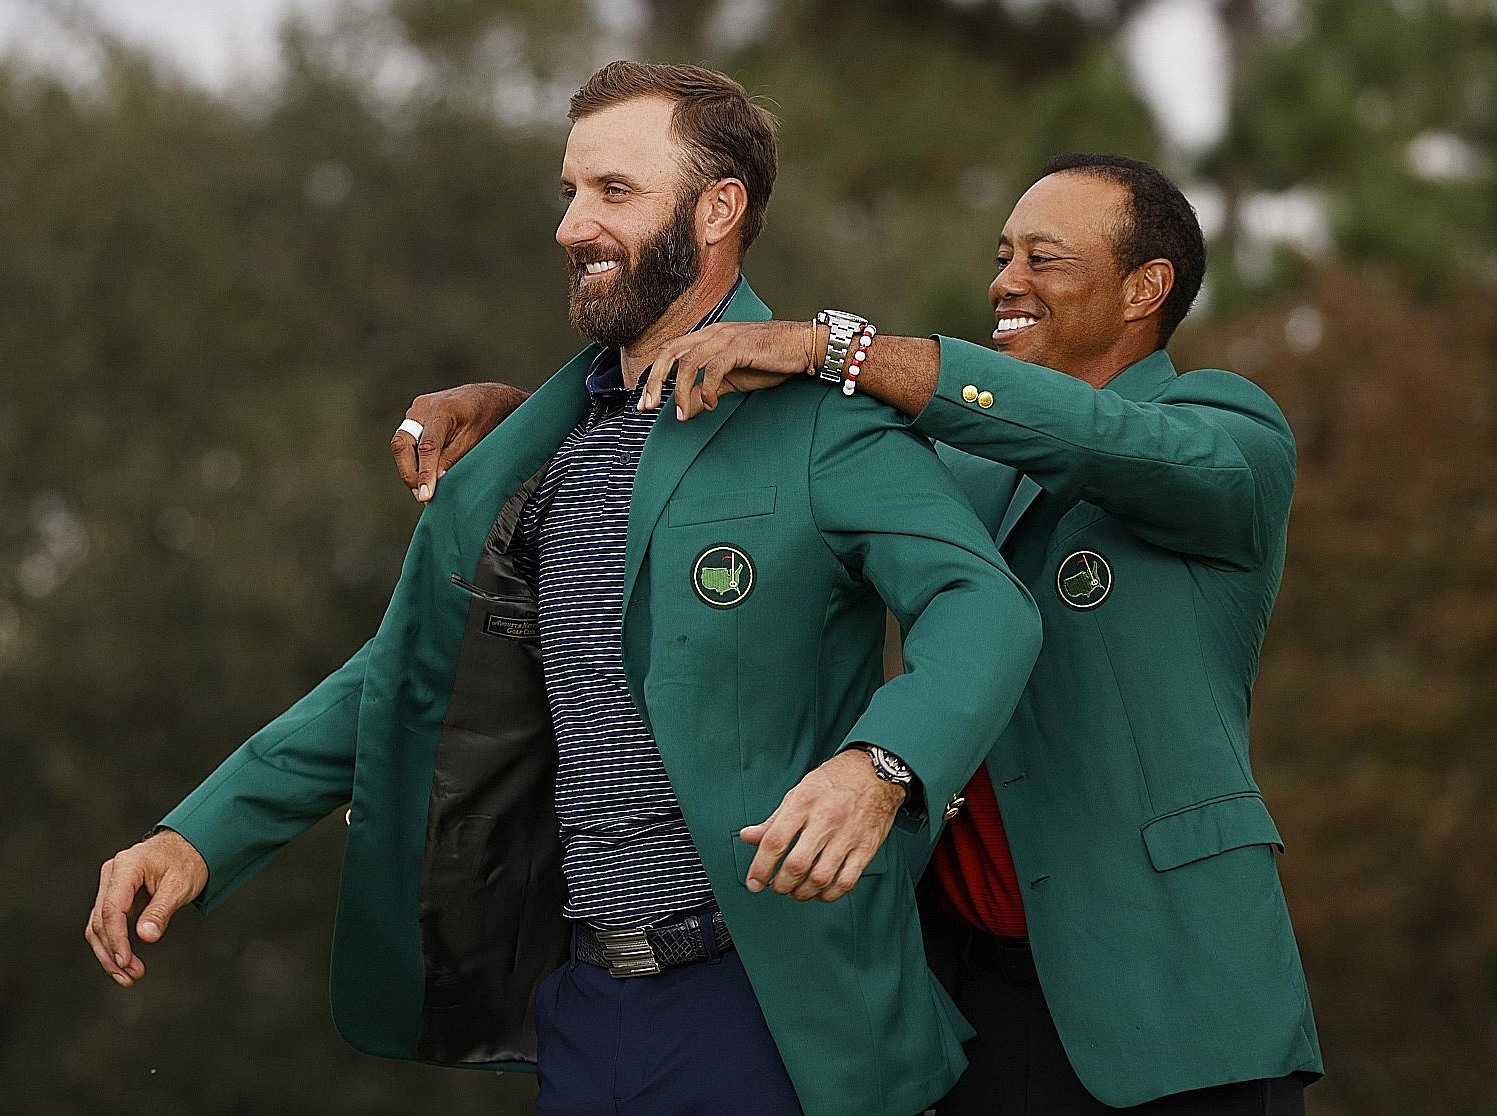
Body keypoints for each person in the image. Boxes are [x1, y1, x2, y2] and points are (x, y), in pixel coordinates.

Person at [86, 61, 1043, 1116]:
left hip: (776, 1008)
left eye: (614, 193)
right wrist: (198, 836)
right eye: (570, 192)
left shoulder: (827, 422)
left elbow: (983, 604)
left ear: (719, 209)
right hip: (584, 1009)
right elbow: (410, 676)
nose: (572, 226)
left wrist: (882, 765)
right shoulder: (547, 451)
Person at [395, 153, 1323, 1114]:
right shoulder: (958, 459)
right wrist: (532, 424)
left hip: (1175, 992)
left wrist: (834, 347)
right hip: (971, 994)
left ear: (1146, 288)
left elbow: (1104, 444)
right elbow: (754, 468)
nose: (1006, 281)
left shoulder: (1229, 434)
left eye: (1044, 259)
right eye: (1003, 254)